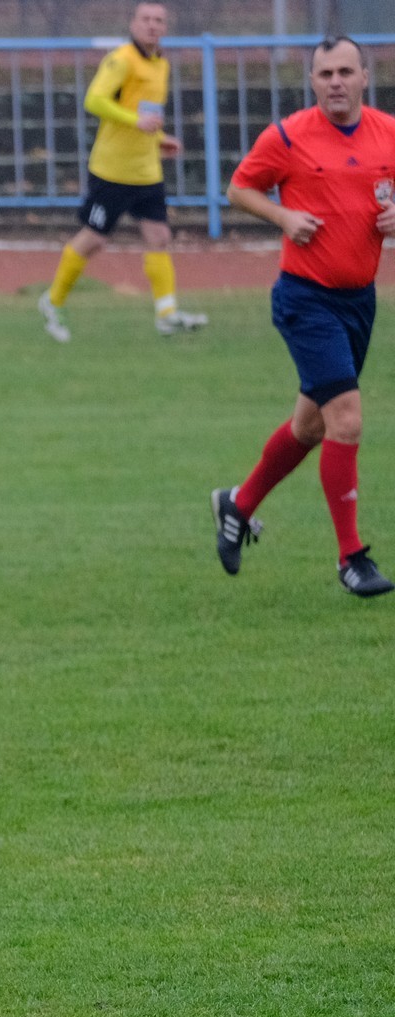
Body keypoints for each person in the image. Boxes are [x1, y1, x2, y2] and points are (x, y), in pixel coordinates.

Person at [212, 36, 395, 598]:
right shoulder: (288, 136)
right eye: (325, 74)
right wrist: (284, 217)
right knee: (347, 419)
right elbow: (239, 188)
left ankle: (238, 505)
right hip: (305, 299)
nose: (335, 82)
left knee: (310, 427)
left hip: (359, 301)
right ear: (312, 81)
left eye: (345, 72)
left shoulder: (388, 132)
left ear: (365, 76)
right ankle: (351, 558)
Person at [38, 2, 207, 342]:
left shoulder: (161, 65)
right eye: (146, 19)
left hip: (146, 171)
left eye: (159, 20)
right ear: (133, 24)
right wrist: (135, 121)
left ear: (165, 27)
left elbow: (148, 113)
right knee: (94, 239)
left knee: (159, 237)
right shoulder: (121, 59)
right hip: (112, 170)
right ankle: (52, 302)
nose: (152, 25)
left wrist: (159, 138)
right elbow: (94, 100)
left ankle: (167, 314)